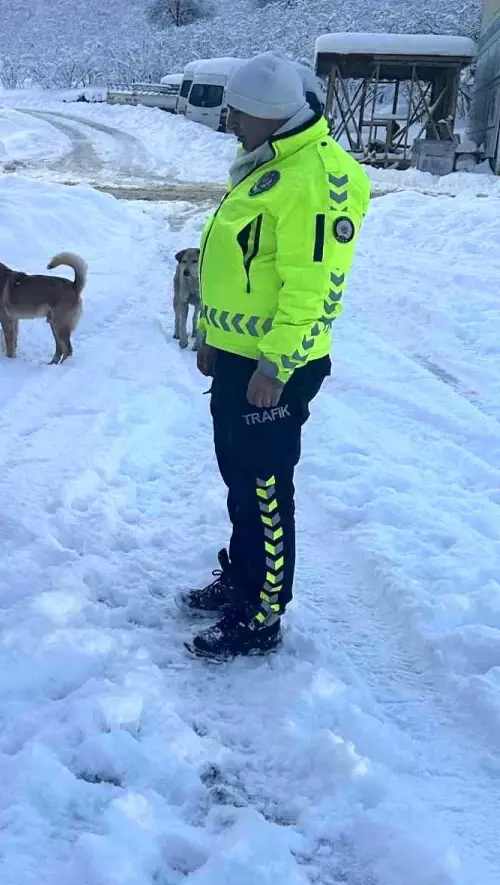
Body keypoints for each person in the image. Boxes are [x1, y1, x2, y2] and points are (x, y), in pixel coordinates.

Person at [183, 52, 370, 658]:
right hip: (240, 357)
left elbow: (312, 287)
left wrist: (275, 366)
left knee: (265, 489)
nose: (229, 121)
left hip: (275, 367)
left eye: (237, 112)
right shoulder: (272, 165)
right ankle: (241, 578)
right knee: (239, 477)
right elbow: (240, 268)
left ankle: (262, 615)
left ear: (269, 113)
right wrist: (212, 333)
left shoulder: (318, 179)